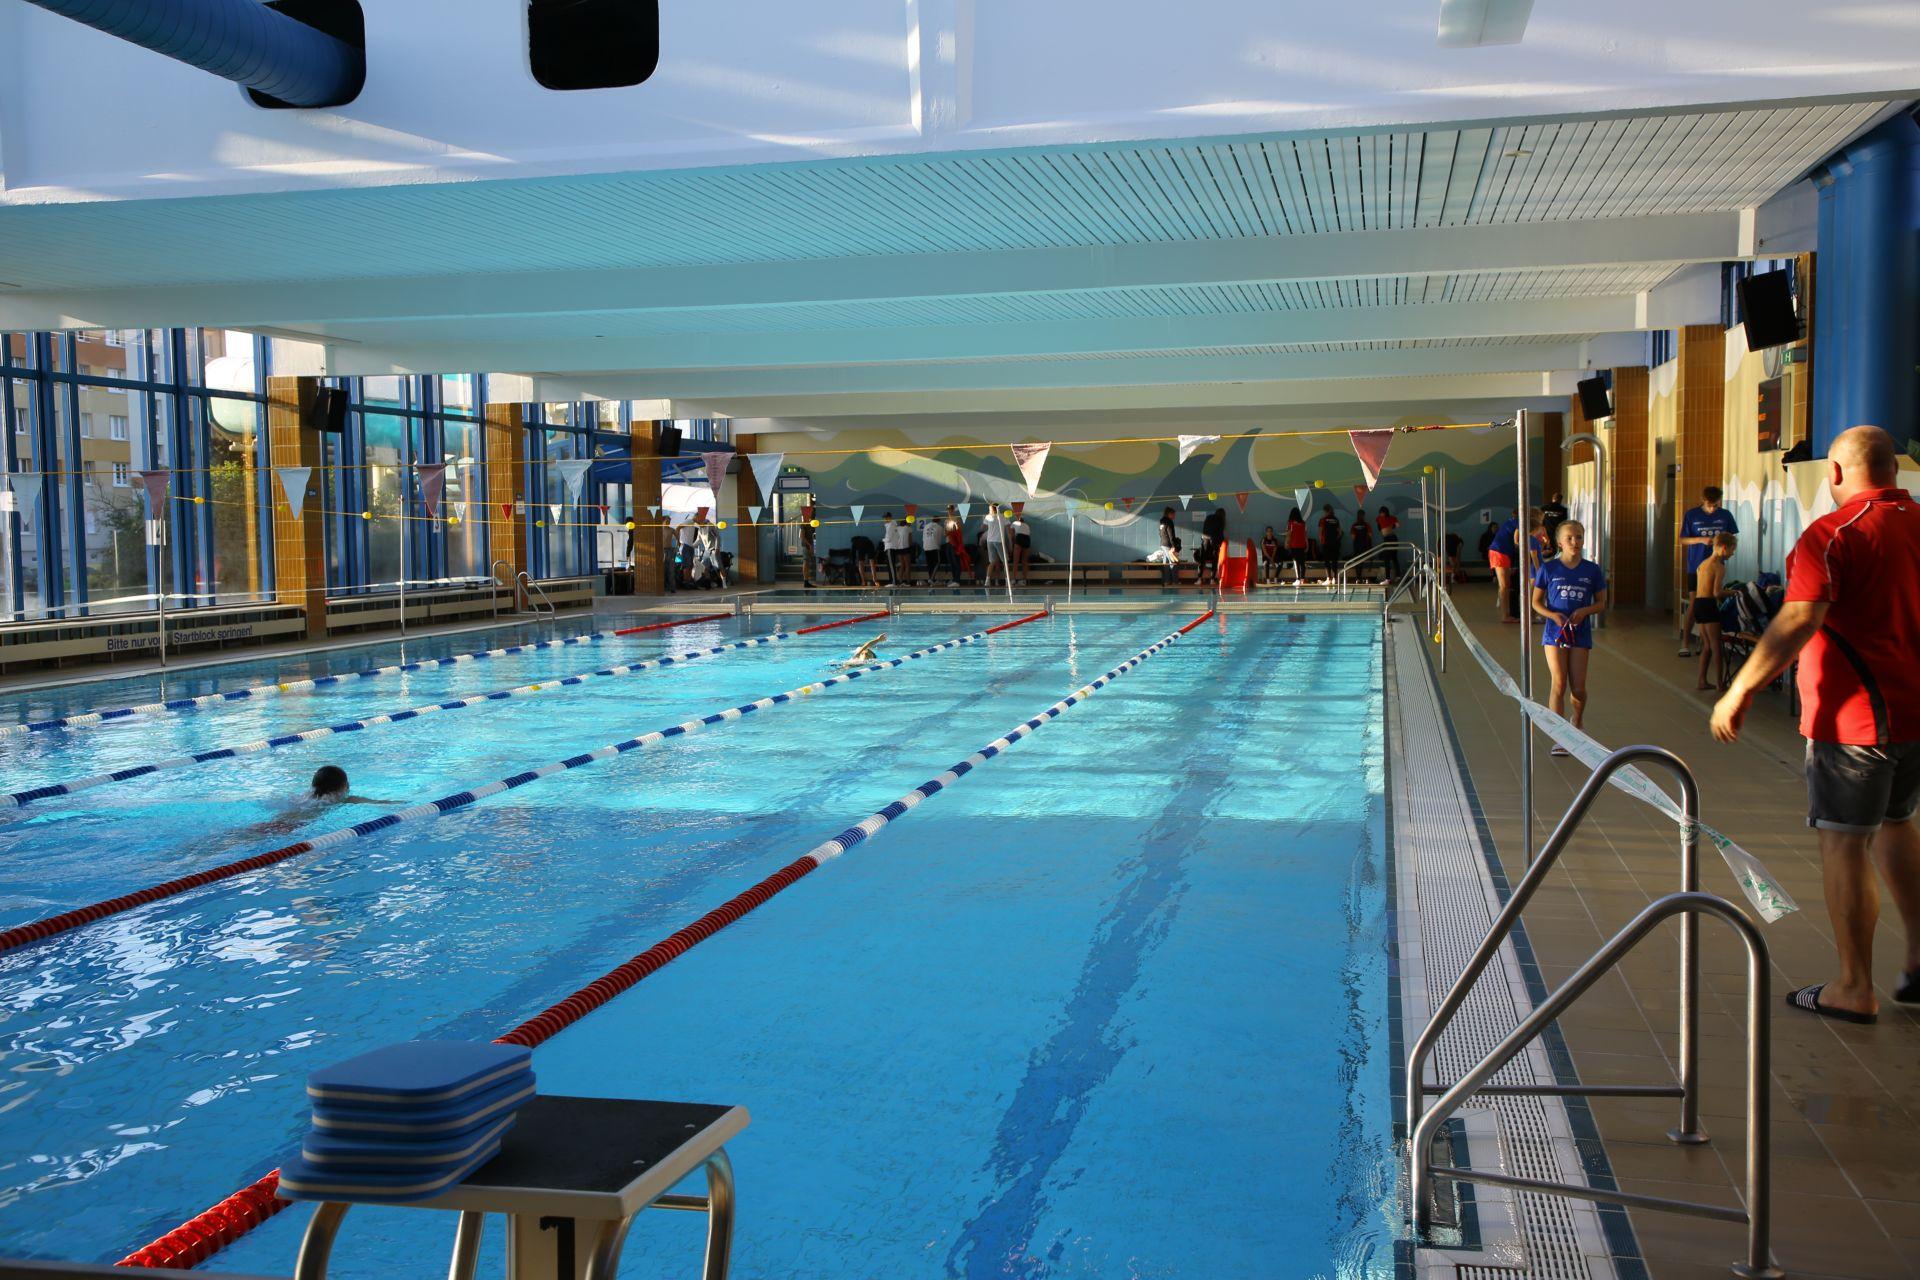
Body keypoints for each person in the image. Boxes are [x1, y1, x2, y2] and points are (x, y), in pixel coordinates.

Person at [1711, 426, 1920, 1023]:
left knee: (1845, 843)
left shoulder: (1833, 534)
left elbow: (1798, 620)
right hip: (1912, 717)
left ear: (1834, 472)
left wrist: (1740, 689)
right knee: (1898, 826)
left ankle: (1853, 987)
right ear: (1895, 469)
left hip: (1854, 723)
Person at [1531, 520, 1608, 757]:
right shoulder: (1549, 569)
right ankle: (1561, 736)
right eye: (1570, 538)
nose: (1575, 542)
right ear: (1560, 542)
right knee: (1559, 683)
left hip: (1579, 633)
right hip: (1555, 634)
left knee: (1578, 688)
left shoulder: (1592, 570)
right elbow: (1536, 602)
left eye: (1579, 537)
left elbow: (1601, 603)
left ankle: (1577, 719)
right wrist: (1552, 615)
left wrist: (1584, 611)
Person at [1679, 485, 1740, 657]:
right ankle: (1685, 643)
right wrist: (1700, 539)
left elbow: (1732, 538)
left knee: (1712, 600)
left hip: (1717, 564)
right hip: (1697, 565)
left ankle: (1705, 642)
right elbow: (1682, 540)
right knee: (1695, 603)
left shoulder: (1725, 515)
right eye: (1709, 505)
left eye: (1715, 505)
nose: (1713, 509)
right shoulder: (1692, 515)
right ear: (1703, 500)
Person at [1692, 532, 1737, 691]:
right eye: (1732, 550)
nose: (1732, 554)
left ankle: (1702, 681)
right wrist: (1733, 593)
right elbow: (1717, 592)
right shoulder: (1719, 567)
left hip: (1698, 604)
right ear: (1724, 548)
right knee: (1716, 646)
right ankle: (1720, 684)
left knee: (1707, 646)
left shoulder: (1702, 564)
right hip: (1708, 605)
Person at [1489, 510, 1519, 620]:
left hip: (1501, 552)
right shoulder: (1518, 522)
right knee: (1504, 586)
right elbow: (1516, 540)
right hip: (1499, 552)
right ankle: (1505, 616)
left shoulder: (1512, 521)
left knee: (1506, 585)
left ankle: (1507, 613)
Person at [982, 502, 1010, 588]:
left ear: (993, 509)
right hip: (998, 541)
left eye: (989, 509)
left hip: (990, 541)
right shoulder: (1003, 516)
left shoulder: (988, 516)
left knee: (992, 562)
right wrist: (1010, 542)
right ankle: (1007, 581)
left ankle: (987, 581)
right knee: (1005, 562)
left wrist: (989, 524)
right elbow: (1008, 529)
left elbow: (983, 527)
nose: (989, 511)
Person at [1199, 507, 1227, 585]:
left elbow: (1204, 529)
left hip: (1205, 540)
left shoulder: (1208, 517)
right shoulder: (1220, 520)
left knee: (1202, 560)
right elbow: (1220, 533)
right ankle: (1212, 580)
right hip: (1214, 542)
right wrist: (1222, 542)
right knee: (1214, 561)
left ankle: (1199, 579)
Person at [919, 508, 945, 585]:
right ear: (939, 521)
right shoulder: (939, 527)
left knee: (930, 564)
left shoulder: (926, 526)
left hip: (926, 547)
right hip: (934, 546)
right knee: (937, 562)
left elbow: (923, 538)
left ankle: (931, 580)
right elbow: (942, 537)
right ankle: (931, 578)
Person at [944, 505, 968, 584]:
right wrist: (947, 533)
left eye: (951, 509)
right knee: (951, 562)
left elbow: (959, 531)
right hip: (948, 542)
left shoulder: (956, 519)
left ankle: (957, 580)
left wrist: (952, 532)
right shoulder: (946, 520)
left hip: (955, 543)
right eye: (948, 510)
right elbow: (945, 533)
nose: (949, 511)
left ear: (953, 510)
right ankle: (954, 579)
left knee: (956, 561)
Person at [1376, 506, 1402, 579]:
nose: (1381, 514)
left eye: (1382, 513)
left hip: (1392, 538)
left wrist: (1390, 527)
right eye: (1380, 513)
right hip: (1386, 538)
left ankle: (1397, 576)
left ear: (1385, 512)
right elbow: (1379, 527)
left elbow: (1398, 525)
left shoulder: (1391, 518)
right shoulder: (1379, 518)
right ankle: (1388, 578)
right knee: (1387, 558)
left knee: (1393, 558)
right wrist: (1388, 527)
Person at [1157, 507, 1180, 586]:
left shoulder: (1161, 521)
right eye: (1173, 514)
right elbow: (1171, 535)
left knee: (1166, 564)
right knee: (1174, 562)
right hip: (1168, 545)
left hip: (1163, 544)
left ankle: (1167, 581)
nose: (1174, 516)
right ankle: (1175, 581)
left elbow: (1160, 533)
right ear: (1169, 514)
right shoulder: (1169, 522)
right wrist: (1173, 546)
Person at [1285, 508, 1309, 584]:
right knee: (1302, 563)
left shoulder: (1291, 523)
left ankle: (1298, 579)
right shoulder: (1303, 523)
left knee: (1296, 562)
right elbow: (1305, 535)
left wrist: (1286, 543)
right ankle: (1302, 579)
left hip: (1294, 545)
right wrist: (1307, 545)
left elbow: (1289, 535)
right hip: (1302, 545)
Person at [1318, 508, 1343, 576]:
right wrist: (1335, 539)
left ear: (1326, 511)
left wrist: (1321, 541)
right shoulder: (1336, 519)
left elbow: (1320, 532)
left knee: (1327, 561)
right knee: (1334, 561)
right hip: (1335, 543)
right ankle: (1335, 577)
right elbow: (1340, 533)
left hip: (1326, 543)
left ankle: (1329, 577)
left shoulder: (1323, 520)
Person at [1348, 513, 1374, 581]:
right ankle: (1359, 576)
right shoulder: (1366, 525)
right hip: (1364, 544)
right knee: (1362, 560)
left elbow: (1353, 536)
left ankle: (1358, 576)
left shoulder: (1354, 525)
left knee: (1356, 560)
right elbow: (1370, 535)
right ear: (1363, 516)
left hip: (1356, 544)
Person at [1010, 510, 1033, 585]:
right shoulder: (1027, 525)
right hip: (1027, 539)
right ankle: (1024, 580)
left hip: (1019, 538)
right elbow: (1028, 534)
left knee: (1016, 561)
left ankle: (1013, 579)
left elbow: (1012, 536)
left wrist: (1013, 544)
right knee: (1024, 562)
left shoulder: (1014, 523)